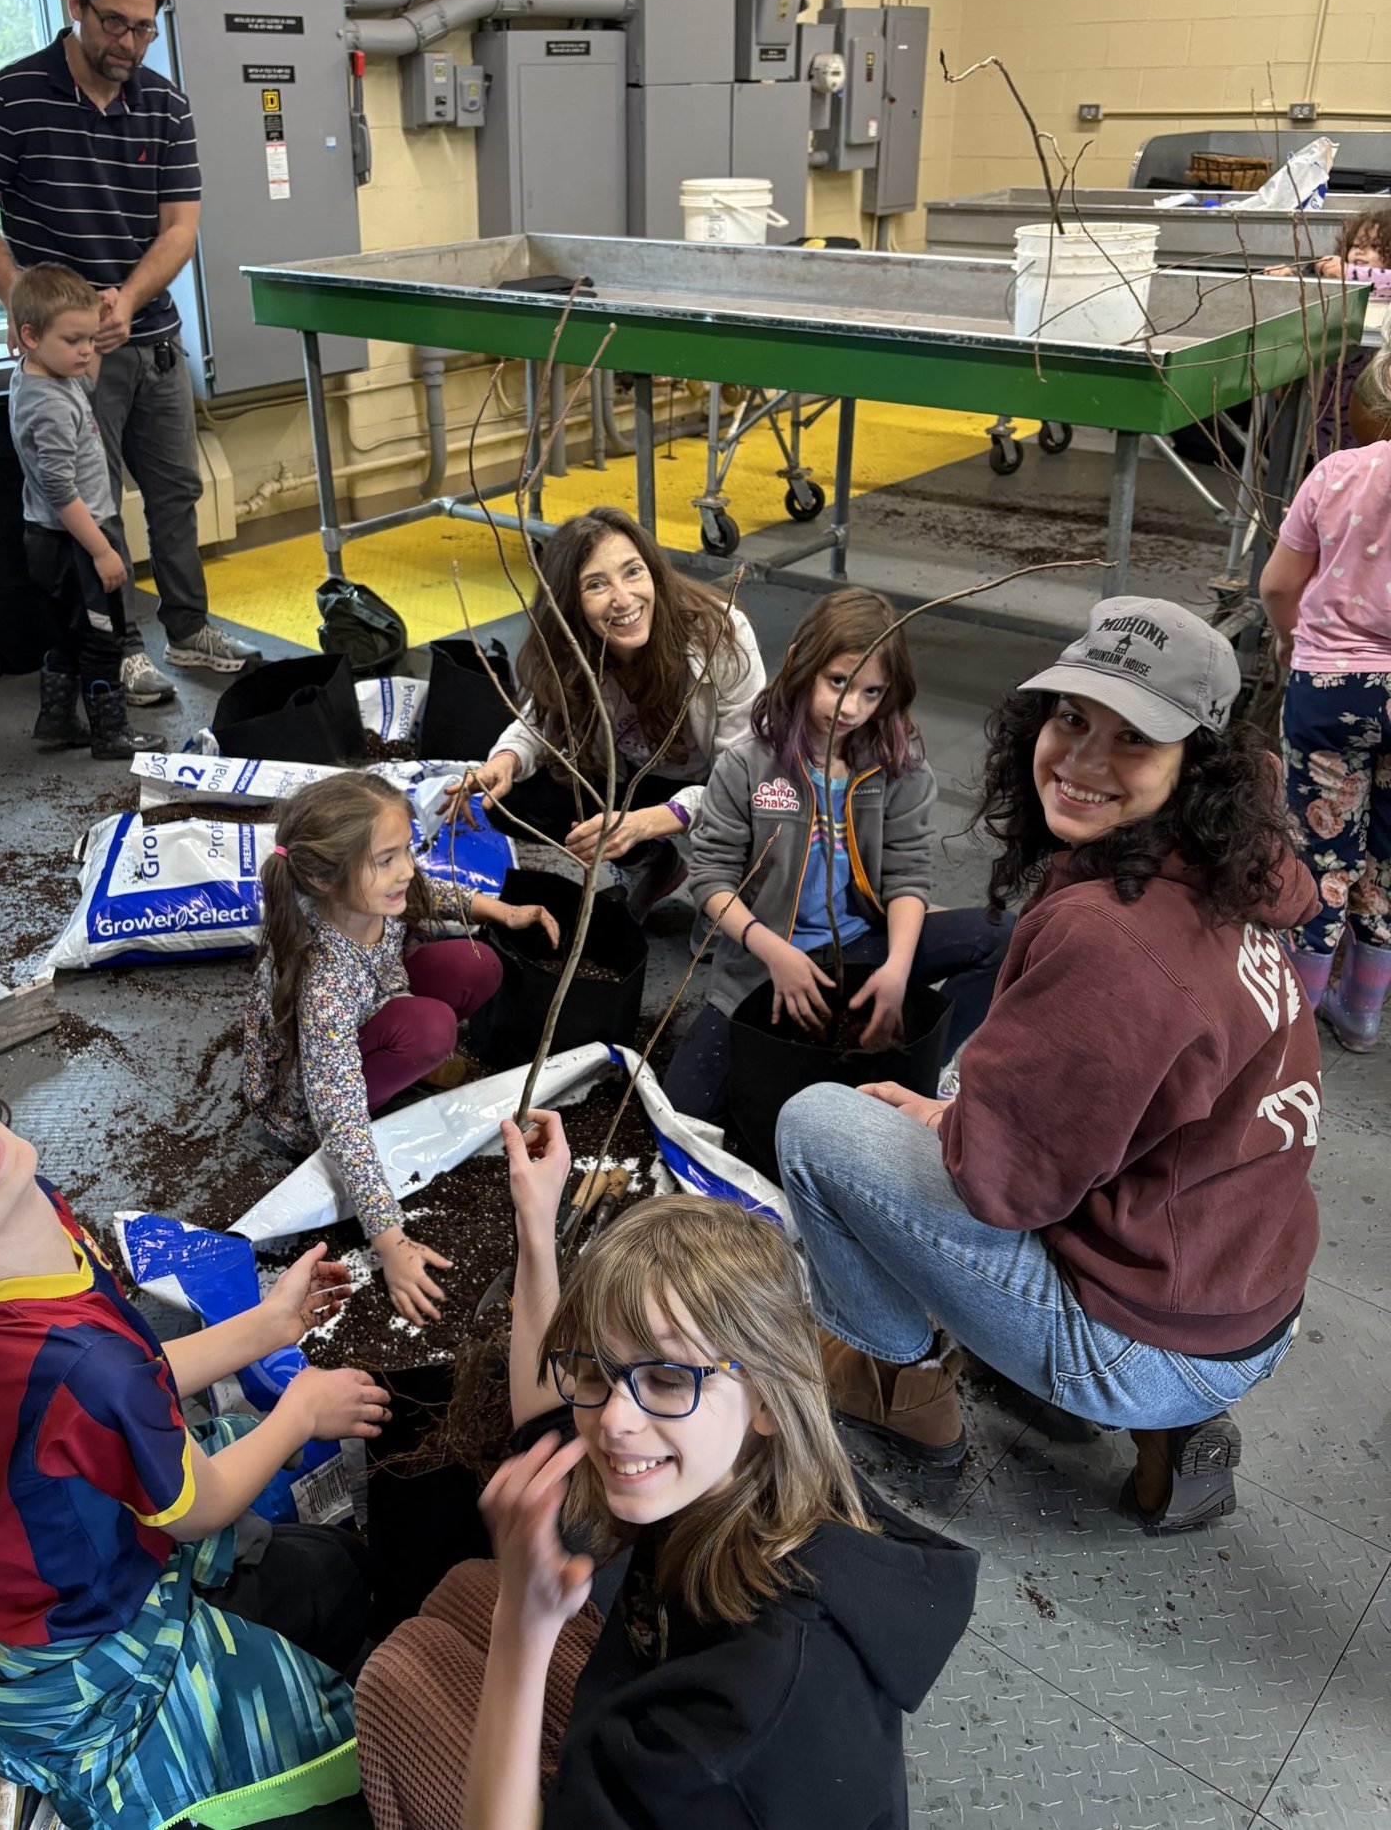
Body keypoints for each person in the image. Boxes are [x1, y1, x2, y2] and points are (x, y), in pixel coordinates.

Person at [778, 597, 1321, 1532]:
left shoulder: (1117, 943)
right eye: (1073, 717)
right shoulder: (1230, 864)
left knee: (817, 1126)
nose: (1080, 760)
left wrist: (956, 1124)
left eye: (1134, 737)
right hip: (1243, 1282)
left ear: (1195, 760)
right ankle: (1169, 1417)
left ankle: (898, 1386)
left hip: (1152, 1335)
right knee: (966, 1081)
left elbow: (1003, 1189)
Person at [0, 1061, 393, 1830]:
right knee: (328, 1699)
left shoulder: (22, 1222)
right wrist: (300, 1413)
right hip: (76, 1632)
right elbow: (195, 1504)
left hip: (18, 1571)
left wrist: (267, 1326)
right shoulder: (79, 1362)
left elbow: (131, 1374)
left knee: (332, 1573)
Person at [353, 1111, 978, 1830]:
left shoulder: (732, 1727)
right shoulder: (753, 1470)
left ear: (769, 1395)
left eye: (669, 1379)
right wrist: (536, 1221)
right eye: (599, 1368)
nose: (614, 1420)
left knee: (393, 1679)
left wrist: (522, 1630)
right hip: (652, 1706)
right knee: (468, 1587)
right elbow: (551, 1418)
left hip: (678, 1778)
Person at [0, 0, 257, 705]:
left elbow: (179, 227)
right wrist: (32, 307)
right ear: (77, 5)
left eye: (144, 27)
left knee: (176, 492)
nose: (129, 43)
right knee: (92, 503)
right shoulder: (11, 95)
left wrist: (127, 297)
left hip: (151, 340)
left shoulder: (166, 104)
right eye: (114, 22)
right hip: (73, 361)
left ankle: (189, 628)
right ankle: (115, 647)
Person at [664, 587, 1010, 1124]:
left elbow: (907, 875)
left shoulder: (899, 767)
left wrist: (897, 970)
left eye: (872, 692)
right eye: (838, 682)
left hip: (862, 946)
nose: (852, 708)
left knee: (1001, 935)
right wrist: (775, 954)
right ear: (800, 661)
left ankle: (918, 1068)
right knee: (685, 1108)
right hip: (761, 962)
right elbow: (711, 878)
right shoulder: (747, 765)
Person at [242, 772, 561, 1325]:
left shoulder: (374, 898)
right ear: (322, 877)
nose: (407, 869)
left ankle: (406, 1056)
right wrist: (389, 1242)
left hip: (378, 1002)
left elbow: (425, 893)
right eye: (386, 859)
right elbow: (339, 1117)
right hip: (306, 1108)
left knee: (478, 962)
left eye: (408, 850)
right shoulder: (325, 978)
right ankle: (407, 1060)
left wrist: (500, 911)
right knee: (431, 1030)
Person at [443, 509, 765, 925]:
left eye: (633, 572)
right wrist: (504, 761)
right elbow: (539, 720)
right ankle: (651, 865)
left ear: (654, 572)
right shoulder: (571, 646)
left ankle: (726, 882)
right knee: (510, 798)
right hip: (635, 777)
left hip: (714, 782)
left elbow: (744, 781)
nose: (624, 599)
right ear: (570, 604)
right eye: (596, 584)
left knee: (758, 827)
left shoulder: (719, 634)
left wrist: (646, 822)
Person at [1260, 427, 1391, 1046]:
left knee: (1320, 848)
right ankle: (1362, 1012)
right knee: (1389, 857)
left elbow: (1279, 584)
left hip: (1331, 688)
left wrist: (1291, 641)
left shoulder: (1339, 472)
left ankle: (1296, 1021)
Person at [7, 262, 150, 762]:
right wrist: (102, 550)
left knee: (68, 635)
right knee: (102, 639)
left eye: (90, 338)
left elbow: (87, 381)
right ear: (30, 335)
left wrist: (98, 327)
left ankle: (56, 721)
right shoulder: (49, 405)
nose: (86, 350)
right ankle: (111, 734)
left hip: (50, 537)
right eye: (74, 340)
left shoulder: (41, 376)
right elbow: (59, 489)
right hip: (74, 540)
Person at [1264, 209, 1391, 450]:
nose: (1360, 252)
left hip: (1372, 396)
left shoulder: (1370, 279)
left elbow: (1383, 282)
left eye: (1375, 247)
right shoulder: (1341, 285)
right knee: (1330, 441)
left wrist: (1348, 272)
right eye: (1356, 245)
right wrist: (1289, 279)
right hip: (1334, 389)